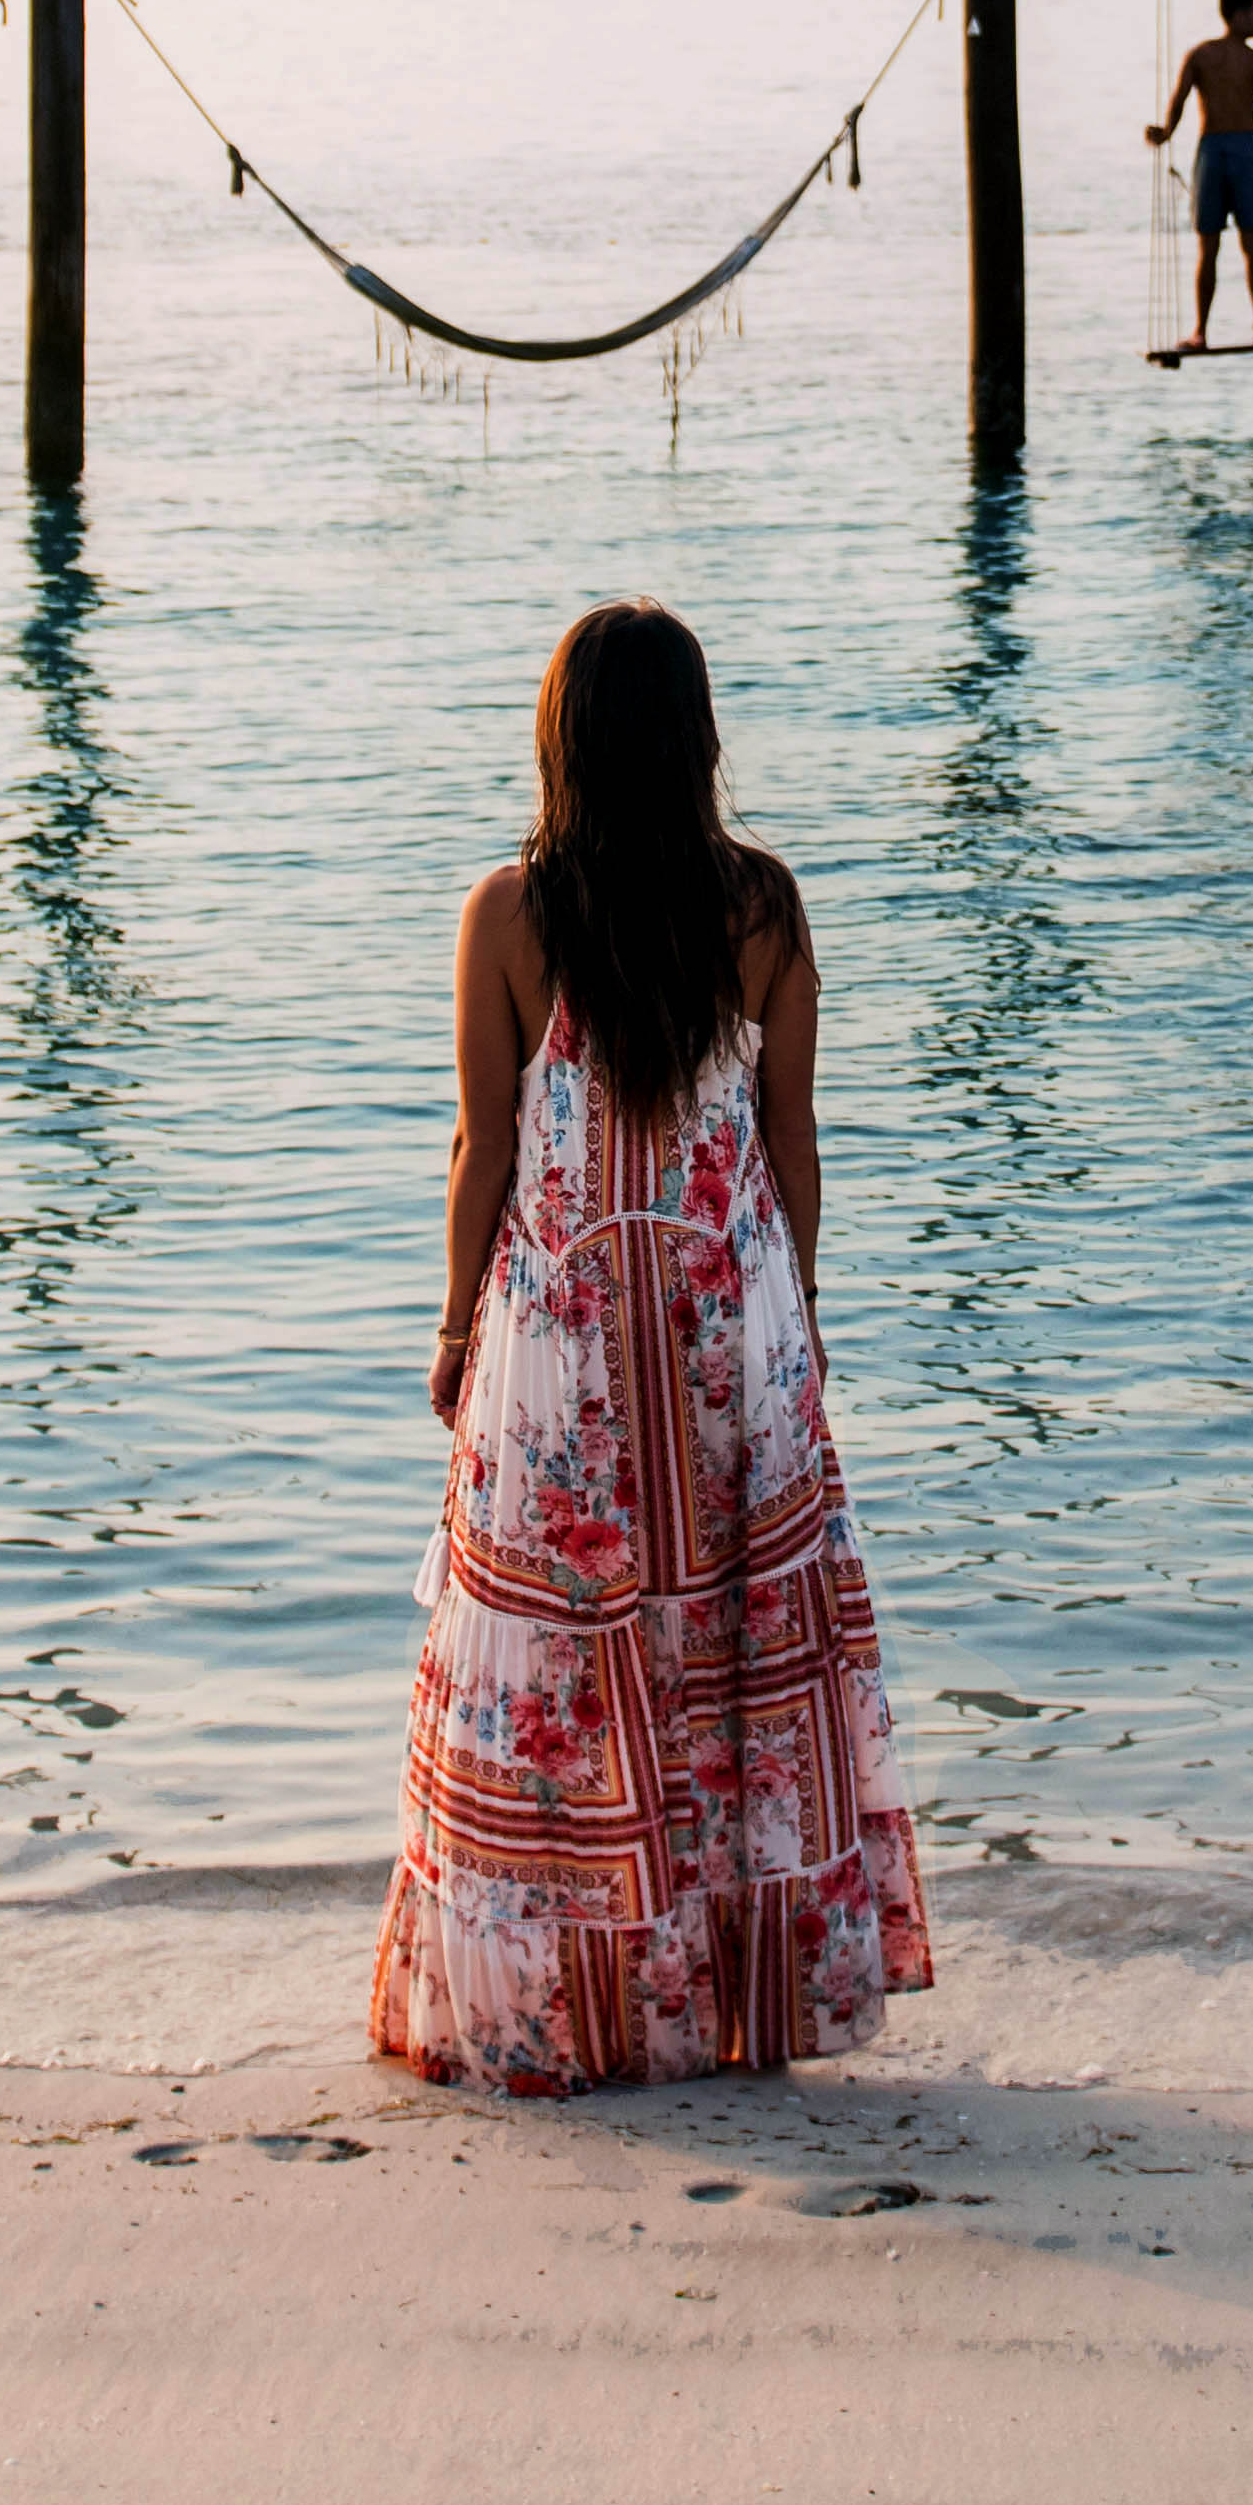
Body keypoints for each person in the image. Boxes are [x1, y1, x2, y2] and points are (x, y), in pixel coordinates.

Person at [369, 600, 934, 2098]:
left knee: (569, 1658)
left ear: (560, 739)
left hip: (565, 1338)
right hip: (723, 1317)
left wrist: (448, 1327)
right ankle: (736, 1997)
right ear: (696, 740)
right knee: (734, 1650)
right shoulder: (763, 905)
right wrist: (793, 1313)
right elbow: (787, 1128)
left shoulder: (508, 913)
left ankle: (567, 2010)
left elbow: (484, 1143)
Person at [1149, 0, 1253, 349]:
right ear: (1239, 15)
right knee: (1225, 245)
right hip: (1226, 148)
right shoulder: (1226, 58)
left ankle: (1251, 327)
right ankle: (1208, 330)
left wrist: (1166, 132)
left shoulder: (1231, 58)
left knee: (1238, 245)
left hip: (1227, 148)